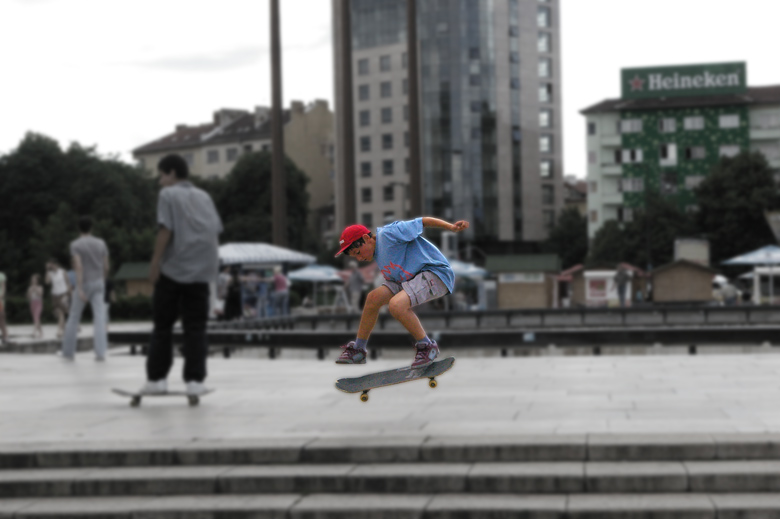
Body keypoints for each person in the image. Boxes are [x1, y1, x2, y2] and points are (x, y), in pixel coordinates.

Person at [334, 217, 469, 368]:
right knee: (373, 298)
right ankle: (358, 350)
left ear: (366, 238)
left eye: (358, 252)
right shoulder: (377, 253)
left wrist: (451, 227)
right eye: (355, 256)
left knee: (396, 305)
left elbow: (423, 221)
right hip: (406, 279)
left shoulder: (389, 233)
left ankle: (427, 346)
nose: (359, 258)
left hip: (434, 273)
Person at [142, 154, 223, 396]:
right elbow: (215, 229)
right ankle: (195, 381)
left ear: (172, 173)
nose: (160, 181)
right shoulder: (204, 196)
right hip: (202, 270)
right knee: (196, 327)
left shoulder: (167, 194)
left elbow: (165, 229)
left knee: (163, 325)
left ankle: (157, 380)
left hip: (174, 269)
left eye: (161, 175)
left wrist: (155, 263)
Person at [60, 216, 110, 361]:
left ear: (78, 228)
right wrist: (103, 280)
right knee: (99, 317)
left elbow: (78, 266)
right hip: (99, 282)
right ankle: (100, 353)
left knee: (74, 317)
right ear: (91, 227)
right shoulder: (101, 243)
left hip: (85, 282)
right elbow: (106, 266)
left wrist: (80, 288)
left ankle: (68, 352)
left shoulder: (75, 244)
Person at [45, 260, 70, 338]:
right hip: (55, 295)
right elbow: (47, 282)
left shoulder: (62, 271)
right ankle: (64, 329)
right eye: (51, 265)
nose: (52, 266)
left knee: (62, 312)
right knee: (59, 313)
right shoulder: (50, 273)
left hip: (63, 293)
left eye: (53, 265)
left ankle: (60, 330)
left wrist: (68, 294)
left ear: (57, 264)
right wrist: (47, 270)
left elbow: (67, 283)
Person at [27, 274, 44, 338]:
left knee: (36, 317)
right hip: (32, 303)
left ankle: (34, 332)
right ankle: (41, 332)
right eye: (32, 279)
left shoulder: (40, 287)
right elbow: (28, 297)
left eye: (34, 279)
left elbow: (40, 294)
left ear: (37, 280)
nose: (33, 281)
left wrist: (35, 289)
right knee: (36, 318)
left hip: (38, 303)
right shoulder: (30, 288)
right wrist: (30, 291)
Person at [0, 270, 8, 345]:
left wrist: (1, 296)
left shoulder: (1, 275)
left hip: (0, 300)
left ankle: (5, 336)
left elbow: (3, 288)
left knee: (1, 318)